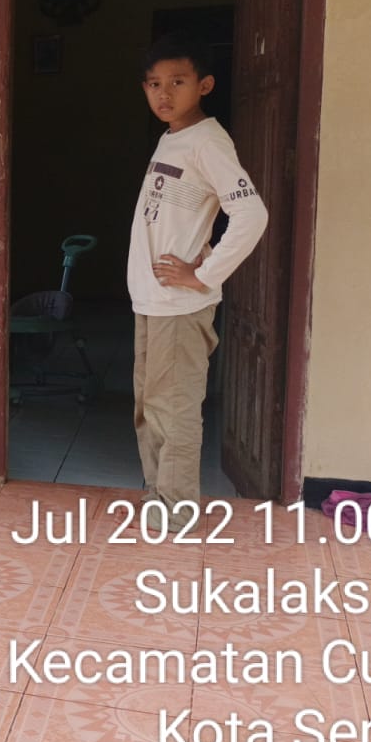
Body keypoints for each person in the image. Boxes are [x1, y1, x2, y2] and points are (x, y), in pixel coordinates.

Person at [128, 33, 268, 518]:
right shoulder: (173, 138)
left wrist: (204, 274)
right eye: (154, 84)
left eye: (177, 82)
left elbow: (251, 213)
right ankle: (157, 495)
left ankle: (177, 508)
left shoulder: (208, 141)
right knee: (149, 407)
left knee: (174, 409)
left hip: (179, 306)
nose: (163, 93)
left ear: (204, 85)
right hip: (151, 301)